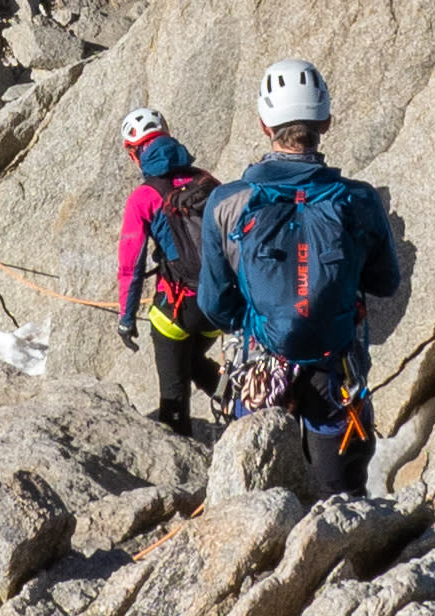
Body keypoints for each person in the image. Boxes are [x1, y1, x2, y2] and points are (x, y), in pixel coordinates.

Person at [204, 58, 403, 492]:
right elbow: (386, 281)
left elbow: (214, 305)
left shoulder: (226, 202)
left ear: (263, 124)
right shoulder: (359, 199)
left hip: (261, 363)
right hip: (336, 364)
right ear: (325, 121)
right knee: (339, 497)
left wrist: (260, 313)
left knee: (255, 494)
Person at [111, 102, 222, 431]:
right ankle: (231, 394)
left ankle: (180, 460)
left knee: (173, 394)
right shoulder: (207, 180)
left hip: (179, 307)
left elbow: (130, 266)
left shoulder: (143, 197)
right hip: (219, 305)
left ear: (134, 153)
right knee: (192, 360)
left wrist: (126, 318)